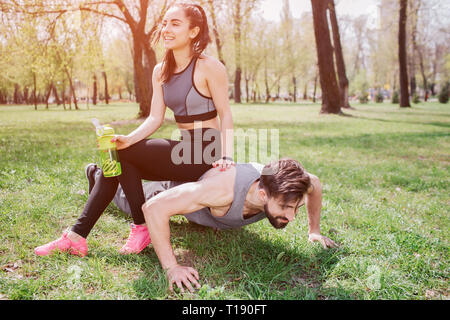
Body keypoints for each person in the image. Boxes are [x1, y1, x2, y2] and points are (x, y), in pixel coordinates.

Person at [34, 3, 234, 256]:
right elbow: (155, 118)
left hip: (206, 151)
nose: (166, 29)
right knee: (120, 156)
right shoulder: (160, 71)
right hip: (184, 148)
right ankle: (83, 235)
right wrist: (127, 139)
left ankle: (129, 227)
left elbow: (226, 113)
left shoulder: (209, 66)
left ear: (194, 32)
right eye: (164, 23)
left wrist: (226, 156)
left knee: (122, 157)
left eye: (175, 24)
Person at [115, 158, 337, 293]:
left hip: (206, 202)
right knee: (128, 199)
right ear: (262, 195)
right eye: (286, 207)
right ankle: (97, 175)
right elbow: (153, 208)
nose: (292, 216)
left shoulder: (284, 187)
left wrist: (314, 231)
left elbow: (314, 183)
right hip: (170, 190)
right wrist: (172, 268)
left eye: (296, 207)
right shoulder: (221, 192)